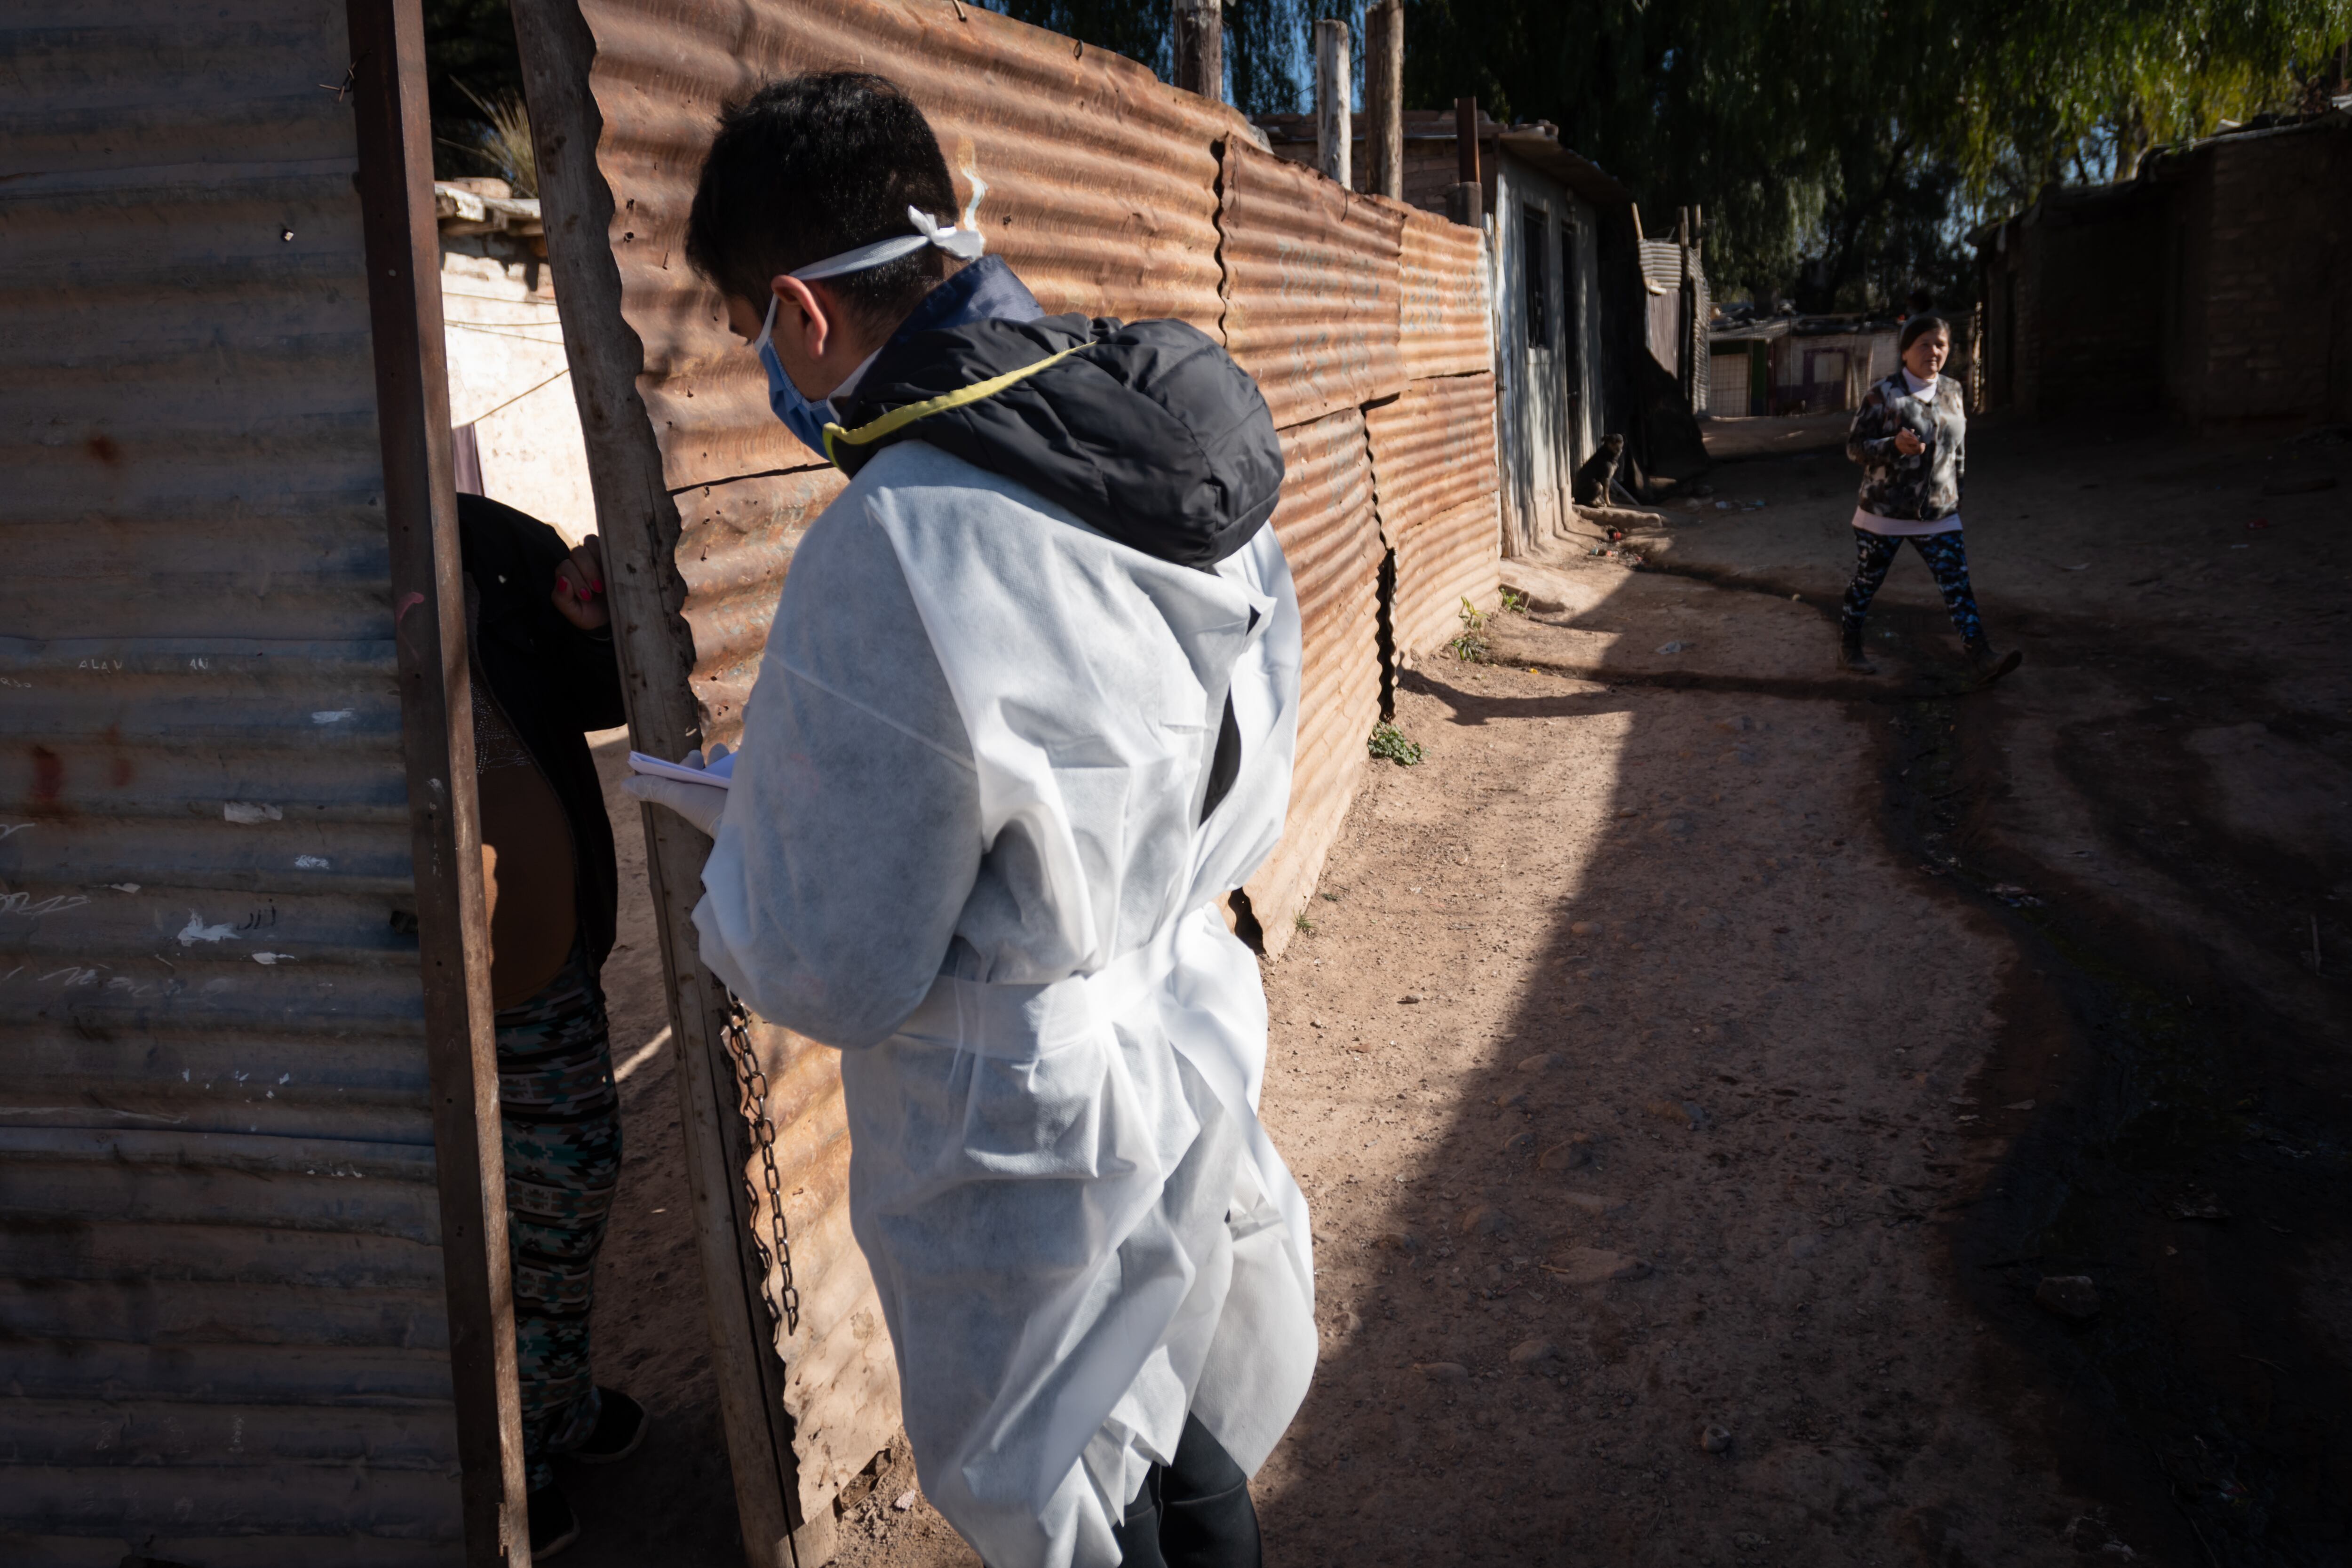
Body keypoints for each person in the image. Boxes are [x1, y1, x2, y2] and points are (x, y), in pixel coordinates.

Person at [623, 72, 1315, 1568]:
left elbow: (833, 963)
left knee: (1074, 1475)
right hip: (1180, 1027)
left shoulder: (898, 542)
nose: (763, 363)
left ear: (800, 315)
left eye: (753, 325)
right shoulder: (1178, 438)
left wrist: (752, 841)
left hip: (1023, 1133)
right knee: (1175, 1415)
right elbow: (1243, 747)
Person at [455, 493, 650, 1557]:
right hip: (398, 977)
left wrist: (592, 625)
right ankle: (503, 1458)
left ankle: (552, 1406)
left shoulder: (483, 540)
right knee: (456, 1223)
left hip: (536, 957)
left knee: (567, 1186)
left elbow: (605, 697)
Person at [1837, 312, 2020, 681]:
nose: (1933, 351)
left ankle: (1982, 655)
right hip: (1884, 513)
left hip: (1939, 512)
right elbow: (1855, 449)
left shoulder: (1953, 390)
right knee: (1867, 583)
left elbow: (1959, 449)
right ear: (1905, 352)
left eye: (1941, 344)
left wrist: (1958, 494)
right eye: (1924, 344)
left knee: (1957, 584)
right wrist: (1893, 446)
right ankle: (1850, 646)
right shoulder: (1882, 394)